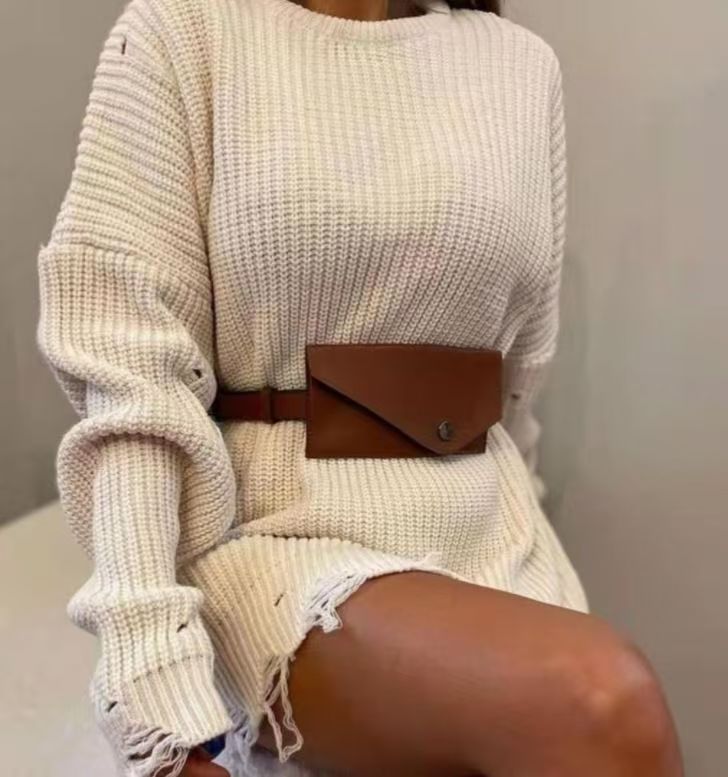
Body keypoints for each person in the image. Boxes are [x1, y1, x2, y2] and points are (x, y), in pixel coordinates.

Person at [35, 0, 684, 775]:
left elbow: (518, 380)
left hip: (489, 530)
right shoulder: (186, 32)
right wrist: (151, 695)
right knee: (603, 700)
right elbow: (129, 374)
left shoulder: (520, 66)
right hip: (275, 535)